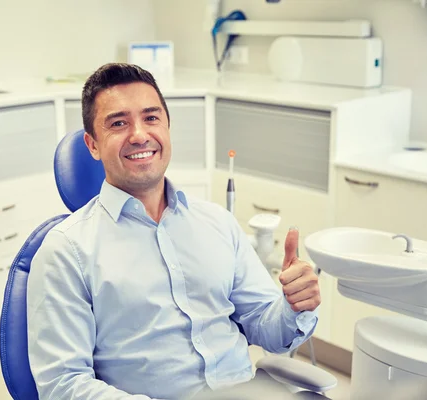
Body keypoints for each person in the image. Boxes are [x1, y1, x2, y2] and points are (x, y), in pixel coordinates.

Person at [26, 63, 322, 400]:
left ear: (167, 128)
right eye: (119, 123)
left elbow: (263, 324)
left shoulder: (217, 222)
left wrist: (293, 307)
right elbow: (63, 384)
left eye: (151, 118)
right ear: (93, 145)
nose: (139, 134)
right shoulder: (66, 250)